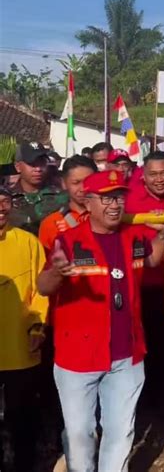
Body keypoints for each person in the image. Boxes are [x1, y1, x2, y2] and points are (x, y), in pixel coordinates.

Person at [36, 170, 164, 472]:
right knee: (80, 434)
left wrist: (162, 234)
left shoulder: (133, 235)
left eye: (119, 198)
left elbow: (150, 261)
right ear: (89, 201)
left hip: (127, 355)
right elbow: (43, 286)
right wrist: (57, 272)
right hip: (78, 358)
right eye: (107, 198)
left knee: (120, 431)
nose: (115, 205)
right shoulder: (68, 240)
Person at [0, 185, 49, 471]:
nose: (1, 208)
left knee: (22, 419)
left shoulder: (27, 242)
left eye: (4, 201)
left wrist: (37, 327)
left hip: (21, 346)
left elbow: (40, 292)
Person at [125, 151, 164, 401]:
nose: (159, 179)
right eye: (153, 174)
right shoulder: (128, 201)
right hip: (140, 284)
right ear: (142, 176)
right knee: (141, 344)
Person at [39, 155, 97, 253]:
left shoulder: (109, 217)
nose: (83, 189)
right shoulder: (51, 224)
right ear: (64, 183)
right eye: (76, 182)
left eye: (88, 181)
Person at [10, 141, 68, 235]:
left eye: (41, 163)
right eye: (32, 164)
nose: (38, 169)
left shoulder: (62, 196)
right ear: (18, 167)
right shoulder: (6, 199)